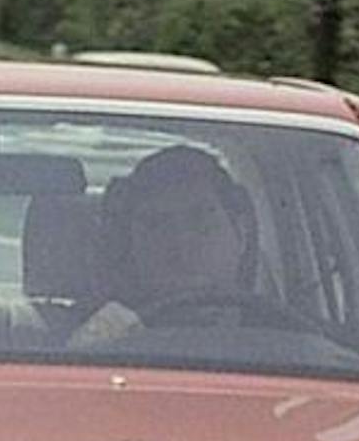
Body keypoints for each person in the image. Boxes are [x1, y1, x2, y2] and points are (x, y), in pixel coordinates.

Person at [67, 144, 265, 346]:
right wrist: (89, 354)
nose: (182, 245)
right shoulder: (89, 340)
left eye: (202, 224)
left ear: (241, 235)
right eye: (156, 227)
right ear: (129, 245)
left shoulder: (291, 344)